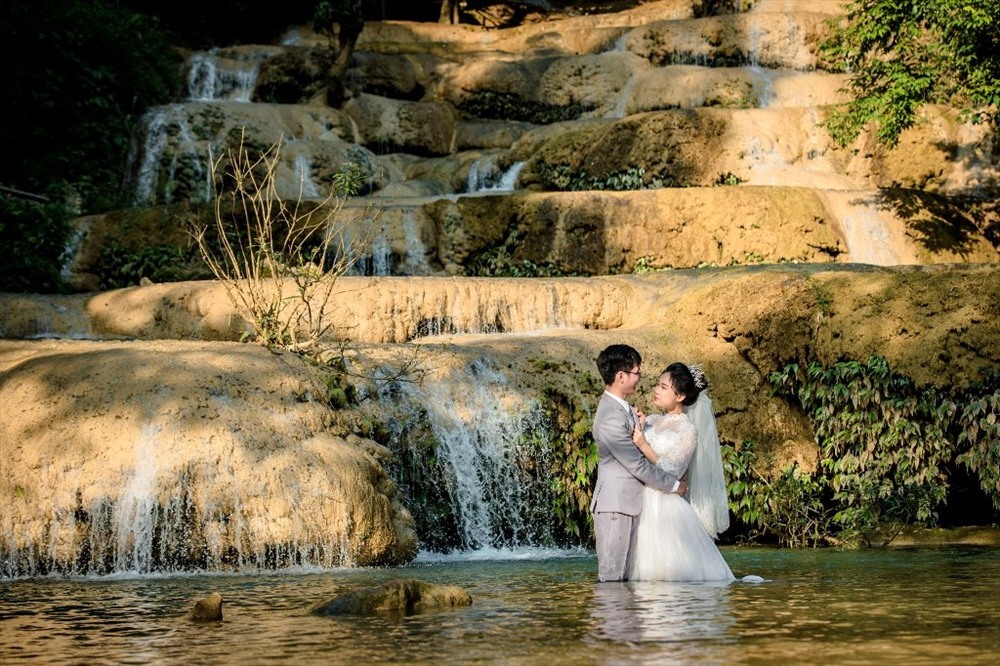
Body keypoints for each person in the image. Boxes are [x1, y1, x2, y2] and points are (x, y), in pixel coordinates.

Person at [628, 363, 735, 582]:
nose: (656, 390)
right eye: (657, 385)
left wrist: (644, 445)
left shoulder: (688, 430)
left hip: (664, 505)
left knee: (666, 572)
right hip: (639, 498)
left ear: (680, 396)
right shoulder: (651, 420)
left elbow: (672, 470)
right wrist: (640, 425)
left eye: (664, 387)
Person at [590, 344, 687, 583]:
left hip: (630, 504)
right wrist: (675, 486)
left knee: (627, 580)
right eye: (636, 372)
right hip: (615, 507)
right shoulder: (610, 417)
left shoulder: (623, 409)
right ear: (621, 376)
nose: (639, 378)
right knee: (612, 580)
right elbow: (637, 465)